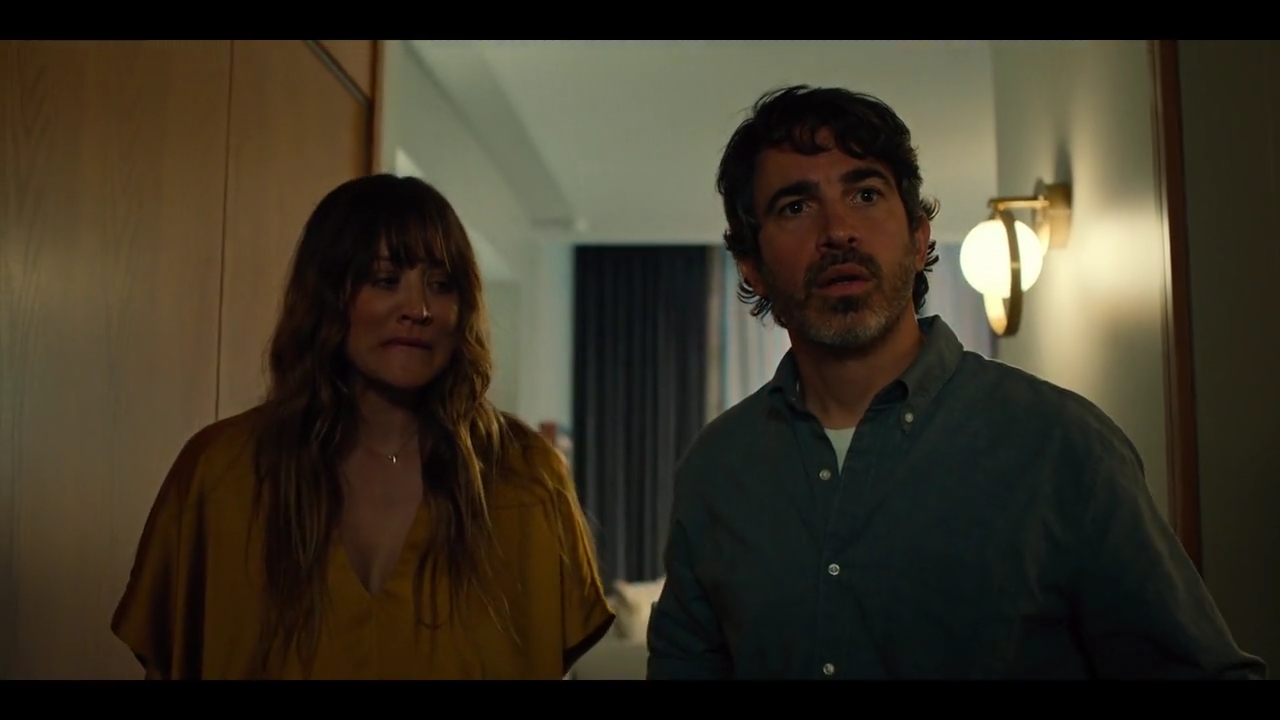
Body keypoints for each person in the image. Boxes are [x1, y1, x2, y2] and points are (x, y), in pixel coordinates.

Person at [646, 85, 1266, 680]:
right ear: (751, 266)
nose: (837, 230)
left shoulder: (1060, 444)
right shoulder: (716, 470)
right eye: (796, 207)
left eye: (865, 194)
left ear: (919, 239)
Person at [112, 174, 614, 679]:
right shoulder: (220, 472)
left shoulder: (525, 475)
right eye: (385, 280)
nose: (419, 309)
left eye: (441, 285)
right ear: (327, 296)